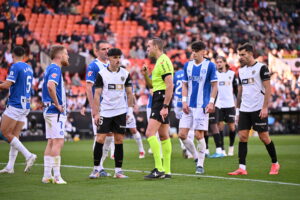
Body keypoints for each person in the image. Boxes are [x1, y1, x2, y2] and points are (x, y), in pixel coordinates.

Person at [228, 43, 280, 175]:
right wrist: (238, 110)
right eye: (239, 55)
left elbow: (268, 88)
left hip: (258, 108)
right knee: (243, 137)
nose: (241, 57)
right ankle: (242, 168)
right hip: (245, 109)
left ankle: (275, 163)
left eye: (243, 54)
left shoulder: (262, 68)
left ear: (251, 53)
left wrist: (265, 107)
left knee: (264, 137)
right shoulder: (241, 70)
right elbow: (240, 91)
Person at [92, 48, 134, 178]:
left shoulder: (125, 73)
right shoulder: (102, 74)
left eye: (119, 57)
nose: (117, 60)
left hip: (120, 111)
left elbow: (129, 93)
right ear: (108, 58)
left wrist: (130, 111)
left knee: (119, 140)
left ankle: (118, 171)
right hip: (105, 111)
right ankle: (96, 169)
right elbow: (97, 94)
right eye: (114, 57)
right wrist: (97, 113)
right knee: (100, 138)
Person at [178, 41, 218, 174]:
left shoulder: (210, 65)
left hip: (202, 106)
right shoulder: (187, 65)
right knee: (182, 134)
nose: (193, 53)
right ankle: (196, 156)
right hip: (188, 105)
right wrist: (184, 101)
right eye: (192, 50)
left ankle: (200, 164)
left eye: (196, 50)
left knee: (198, 134)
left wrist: (211, 102)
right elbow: (184, 85)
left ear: (203, 52)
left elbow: (215, 85)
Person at [0, 46, 37, 174]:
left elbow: (7, 85)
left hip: (16, 104)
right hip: (26, 104)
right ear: (24, 55)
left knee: (4, 133)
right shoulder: (29, 68)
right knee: (15, 135)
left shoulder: (15, 66)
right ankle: (10, 167)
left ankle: (28, 155)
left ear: (13, 54)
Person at [141, 37, 174, 179]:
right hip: (158, 97)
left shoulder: (164, 61)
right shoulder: (159, 62)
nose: (147, 48)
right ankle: (166, 170)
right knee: (163, 135)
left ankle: (158, 169)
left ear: (156, 46)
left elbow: (169, 85)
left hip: (161, 99)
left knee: (149, 133)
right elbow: (153, 86)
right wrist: (145, 75)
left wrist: (165, 106)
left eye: (149, 46)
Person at [80, 40, 113, 178]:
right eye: (103, 49)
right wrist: (93, 108)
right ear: (97, 51)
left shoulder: (111, 65)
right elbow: (88, 87)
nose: (106, 51)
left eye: (108, 48)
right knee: (99, 137)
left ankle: (101, 166)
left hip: (112, 106)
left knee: (110, 137)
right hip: (100, 107)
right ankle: (96, 168)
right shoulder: (94, 66)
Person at [42, 45, 69, 184]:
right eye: (66, 54)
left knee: (51, 142)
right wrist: (58, 104)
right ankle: (57, 177)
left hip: (48, 110)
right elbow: (50, 86)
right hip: (54, 111)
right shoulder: (55, 68)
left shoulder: (49, 68)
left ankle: (47, 176)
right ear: (59, 56)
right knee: (58, 141)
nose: (67, 56)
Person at [215, 56, 238, 156]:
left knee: (232, 127)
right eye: (217, 62)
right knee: (220, 127)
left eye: (220, 62)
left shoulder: (232, 74)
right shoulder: (214, 74)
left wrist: (238, 105)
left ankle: (231, 147)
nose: (218, 64)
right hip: (219, 104)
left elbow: (236, 91)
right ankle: (222, 149)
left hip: (230, 104)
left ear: (225, 62)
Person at [173, 64, 193, 159]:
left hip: (177, 102)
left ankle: (183, 146)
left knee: (181, 125)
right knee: (190, 127)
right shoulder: (188, 73)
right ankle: (189, 151)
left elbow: (172, 87)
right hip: (187, 100)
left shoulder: (175, 75)